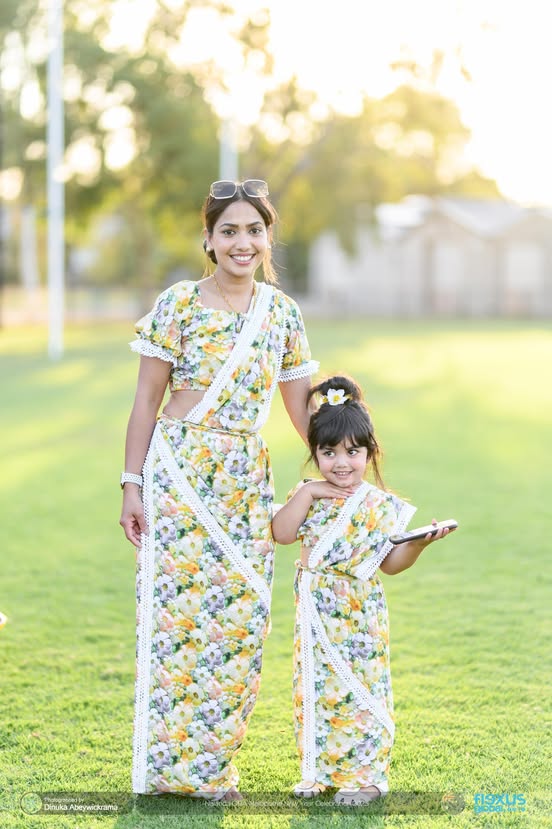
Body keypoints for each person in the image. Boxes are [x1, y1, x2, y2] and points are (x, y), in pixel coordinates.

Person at [119, 179, 319, 800]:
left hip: (242, 481)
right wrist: (132, 484)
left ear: (267, 239)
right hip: (177, 474)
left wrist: (346, 461)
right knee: (177, 621)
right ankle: (169, 770)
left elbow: (300, 410)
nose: (242, 242)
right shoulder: (178, 303)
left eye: (254, 230)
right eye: (228, 230)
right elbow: (148, 399)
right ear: (208, 239)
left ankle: (210, 767)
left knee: (239, 620)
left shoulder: (281, 313)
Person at [272, 375, 456, 806]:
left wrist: (417, 545)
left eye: (353, 452)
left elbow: (389, 565)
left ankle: (369, 778)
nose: (341, 464)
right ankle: (317, 772)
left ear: (369, 453)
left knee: (361, 689)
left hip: (358, 615)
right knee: (315, 690)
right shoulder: (308, 495)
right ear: (314, 451)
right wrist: (310, 491)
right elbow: (281, 533)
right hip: (315, 613)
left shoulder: (378, 505)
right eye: (328, 452)